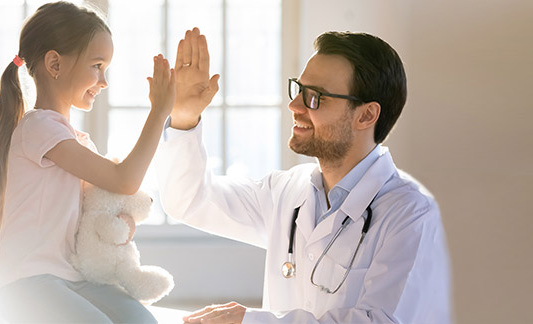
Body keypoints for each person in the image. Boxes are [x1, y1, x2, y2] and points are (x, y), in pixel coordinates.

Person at [155, 28, 451, 323]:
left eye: (316, 97)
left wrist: (251, 322)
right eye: (299, 90)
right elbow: (189, 199)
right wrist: (184, 117)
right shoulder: (287, 191)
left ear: (366, 116)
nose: (294, 106)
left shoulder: (410, 214)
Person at [0, 1, 175, 323]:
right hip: (29, 280)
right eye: (97, 65)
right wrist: (159, 112)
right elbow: (123, 180)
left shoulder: (74, 139)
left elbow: (101, 204)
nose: (103, 81)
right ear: (54, 64)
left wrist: (121, 223)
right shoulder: (39, 128)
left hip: (73, 276)